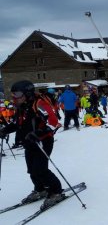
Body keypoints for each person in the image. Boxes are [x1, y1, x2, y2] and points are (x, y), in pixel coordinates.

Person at [0, 80, 64, 209]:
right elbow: (18, 124)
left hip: (43, 141)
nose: (14, 97)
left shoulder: (39, 103)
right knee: (32, 170)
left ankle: (56, 191)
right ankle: (40, 189)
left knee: (41, 170)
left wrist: (38, 133)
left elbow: (53, 122)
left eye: (17, 94)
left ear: (27, 93)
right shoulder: (21, 107)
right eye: (12, 94)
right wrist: (4, 130)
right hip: (29, 143)